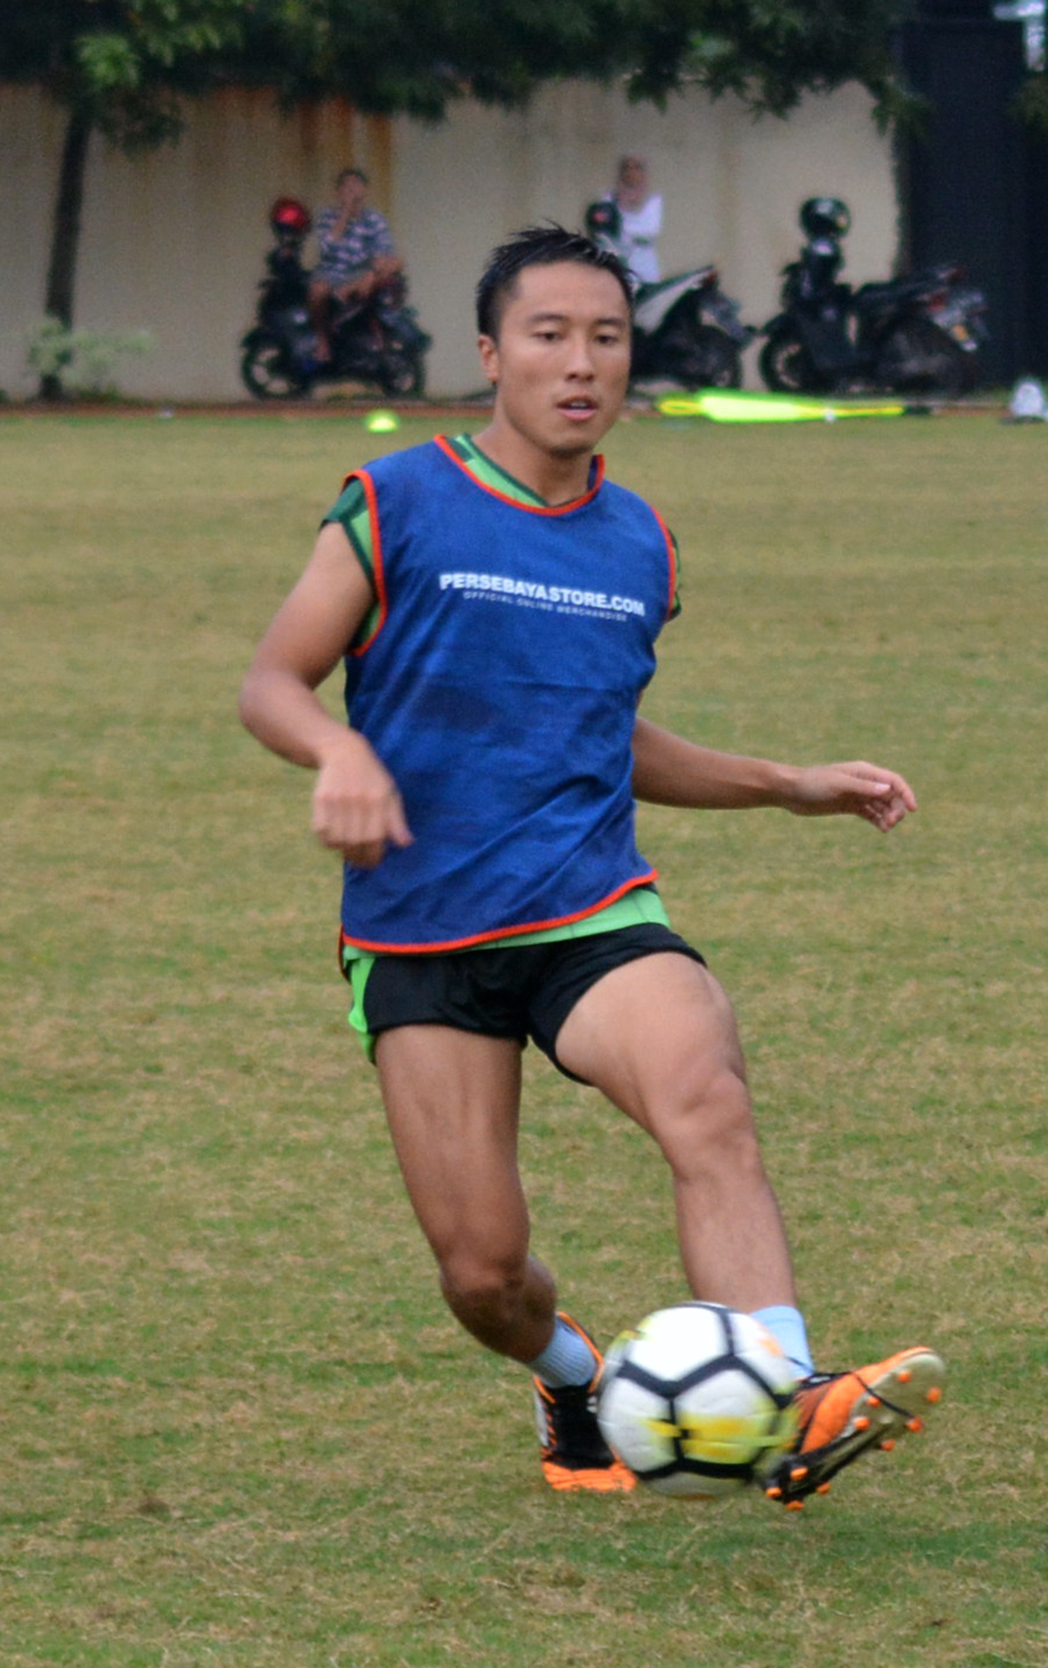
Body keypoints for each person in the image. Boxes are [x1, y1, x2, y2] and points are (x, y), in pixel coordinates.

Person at [237, 225, 944, 1505]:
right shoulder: (396, 501)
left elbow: (599, 732)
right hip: (419, 935)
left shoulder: (639, 543)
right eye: (550, 336)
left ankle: (786, 1399)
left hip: (589, 906)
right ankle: (572, 1381)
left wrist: (785, 784)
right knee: (482, 1275)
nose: (580, 363)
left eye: (606, 339)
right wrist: (337, 752)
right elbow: (271, 681)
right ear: (490, 353)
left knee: (705, 1100)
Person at [308, 169, 402, 366]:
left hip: (363, 273)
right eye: (346, 186)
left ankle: (351, 295)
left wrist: (372, 273)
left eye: (356, 185)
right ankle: (323, 341)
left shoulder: (374, 219)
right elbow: (328, 248)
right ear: (338, 193)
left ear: (365, 190)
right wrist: (345, 212)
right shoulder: (327, 217)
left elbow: (385, 251)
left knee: (394, 262)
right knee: (317, 290)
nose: (351, 190)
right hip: (332, 271)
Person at [606, 154, 662, 285]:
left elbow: (650, 230)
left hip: (644, 261)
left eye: (636, 168)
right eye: (627, 168)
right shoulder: (609, 199)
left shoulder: (653, 200)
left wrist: (623, 230)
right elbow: (605, 231)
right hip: (618, 260)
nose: (631, 172)